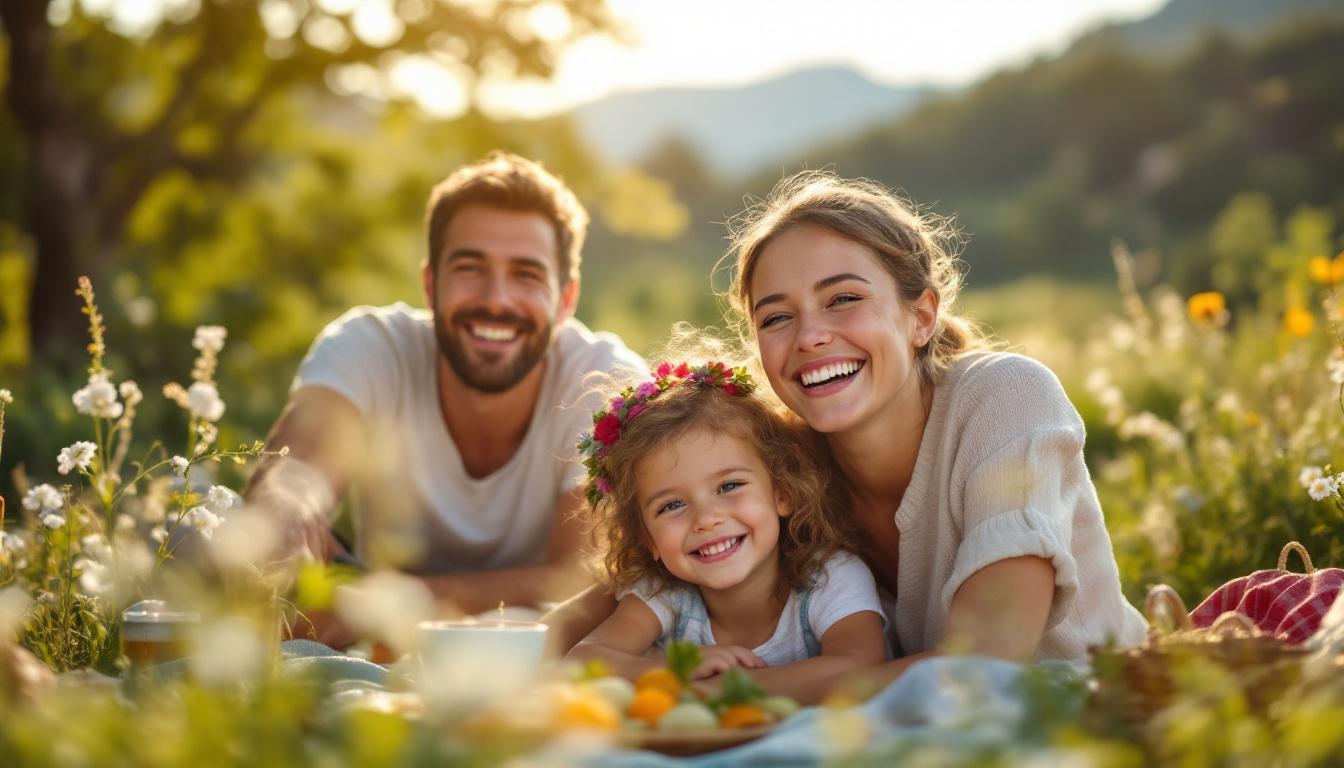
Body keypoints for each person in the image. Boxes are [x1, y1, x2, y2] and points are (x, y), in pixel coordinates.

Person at [544, 170, 1145, 686]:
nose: (809, 337)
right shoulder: (783, 465)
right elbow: (615, 596)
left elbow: (983, 666)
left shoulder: (1005, 398)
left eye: (843, 299)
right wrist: (494, 659)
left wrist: (729, 695)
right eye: (777, 316)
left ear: (920, 316)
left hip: (1089, 717)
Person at [245, 152, 643, 643]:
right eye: (470, 267)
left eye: (526, 274)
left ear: (565, 300)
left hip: (536, 654)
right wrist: (287, 506)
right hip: (376, 651)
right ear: (430, 285)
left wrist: (388, 602)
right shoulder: (370, 345)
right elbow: (298, 463)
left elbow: (583, 575)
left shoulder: (605, 379)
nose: (496, 299)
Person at [565, 361, 887, 703]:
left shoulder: (829, 576)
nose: (706, 519)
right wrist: (671, 672)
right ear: (648, 539)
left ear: (783, 492)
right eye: (671, 506)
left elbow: (860, 666)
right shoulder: (667, 594)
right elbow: (581, 661)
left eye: (729, 486)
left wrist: (722, 690)